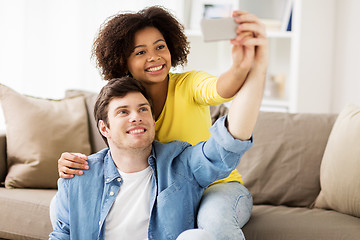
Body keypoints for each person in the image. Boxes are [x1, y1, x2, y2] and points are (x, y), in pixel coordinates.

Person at [54, 6, 268, 239]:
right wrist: (73, 167)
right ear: (123, 61)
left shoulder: (189, 84)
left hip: (214, 183)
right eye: (140, 52)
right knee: (60, 203)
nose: (153, 57)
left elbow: (222, 89)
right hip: (170, 191)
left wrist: (241, 66)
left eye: (160, 47)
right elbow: (117, 155)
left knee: (213, 220)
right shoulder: (122, 99)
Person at [50, 71, 264, 239]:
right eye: (123, 112)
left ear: (153, 120)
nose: (136, 117)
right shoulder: (80, 175)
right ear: (104, 128)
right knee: (56, 204)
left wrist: (256, 68)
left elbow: (225, 145)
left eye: (143, 109)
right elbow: (62, 236)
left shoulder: (180, 163)